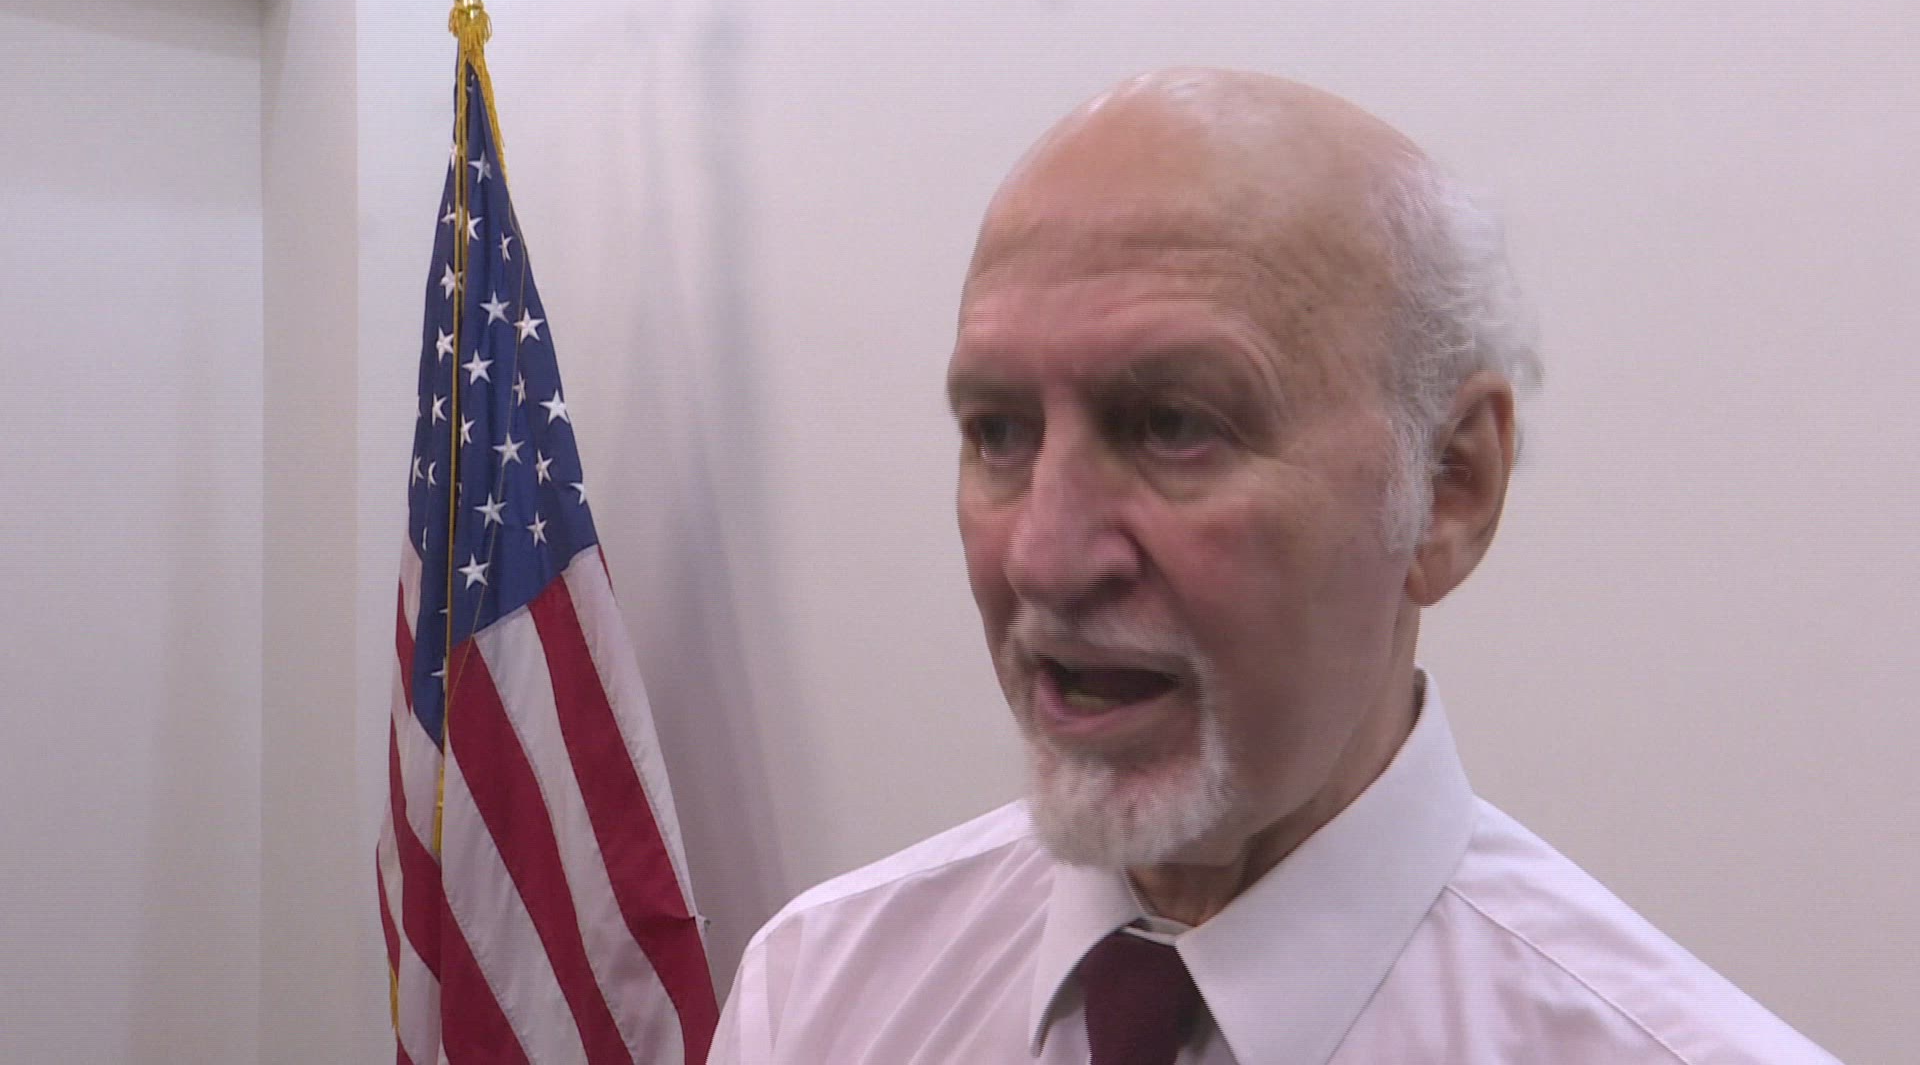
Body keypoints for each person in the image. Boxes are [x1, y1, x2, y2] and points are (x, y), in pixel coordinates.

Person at [707, 69, 1840, 1064]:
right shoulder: (818, 996)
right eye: (999, 433)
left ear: (1450, 486)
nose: (1046, 560)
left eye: (1174, 426)